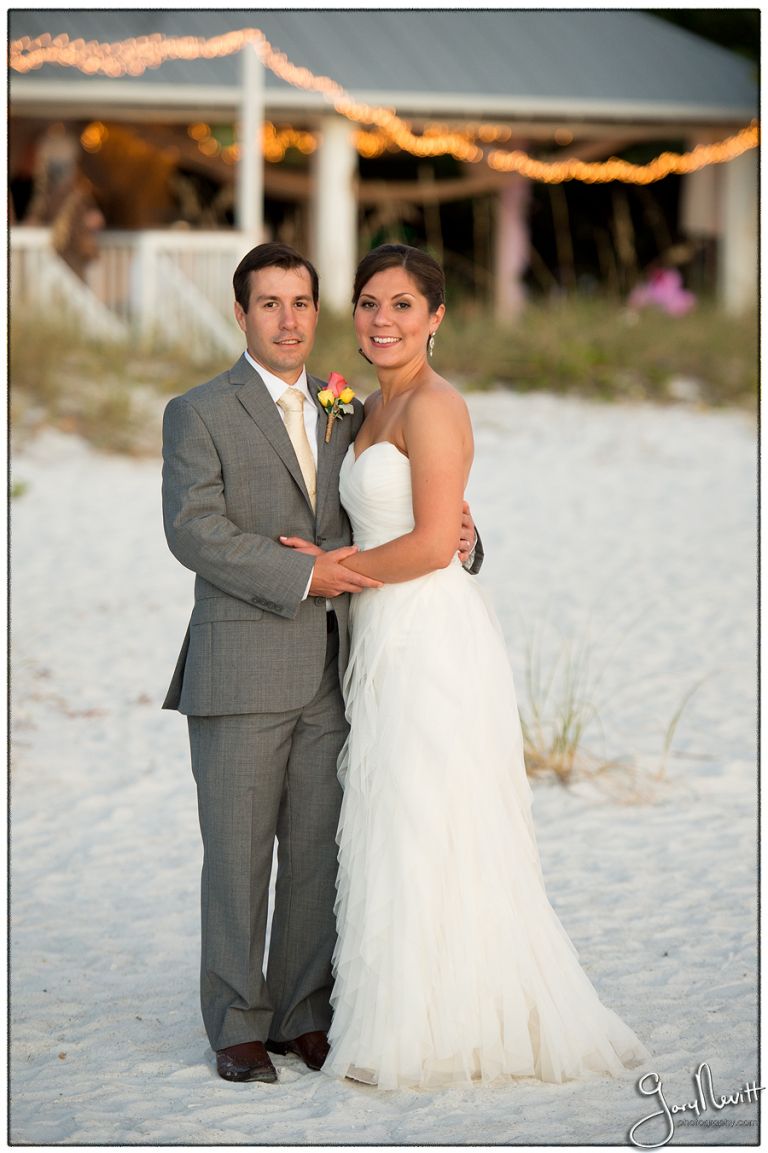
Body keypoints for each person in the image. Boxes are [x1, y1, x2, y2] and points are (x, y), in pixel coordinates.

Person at [283, 244, 650, 1089]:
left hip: (428, 637)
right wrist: (344, 554)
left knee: (428, 819)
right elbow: (414, 522)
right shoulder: (369, 406)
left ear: (436, 316)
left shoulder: (436, 407)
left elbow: (426, 542)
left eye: (403, 305)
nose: (383, 320)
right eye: (370, 303)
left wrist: (335, 569)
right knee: (392, 821)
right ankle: (399, 1008)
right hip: (381, 632)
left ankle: (434, 1029)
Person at [161, 242, 480, 1084]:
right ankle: (236, 1023)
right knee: (237, 856)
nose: (288, 319)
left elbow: (416, 503)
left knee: (314, 853)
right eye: (269, 304)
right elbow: (194, 531)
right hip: (239, 668)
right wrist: (307, 573)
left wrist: (467, 536)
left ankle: (304, 1012)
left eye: (301, 302)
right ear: (241, 314)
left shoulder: (349, 409)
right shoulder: (198, 411)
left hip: (340, 669)